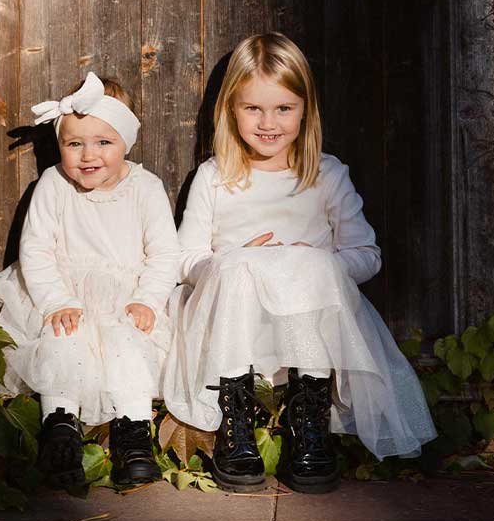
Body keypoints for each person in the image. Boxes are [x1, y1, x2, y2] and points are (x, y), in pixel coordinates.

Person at [163, 33, 436, 494]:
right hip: (235, 332)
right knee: (237, 266)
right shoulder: (215, 177)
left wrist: (318, 262)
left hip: (307, 331)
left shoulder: (326, 175)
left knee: (312, 267)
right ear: (231, 109)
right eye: (253, 109)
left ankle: (308, 421)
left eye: (283, 109)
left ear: (305, 109)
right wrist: (236, 258)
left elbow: (366, 256)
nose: (268, 122)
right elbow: (185, 260)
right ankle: (238, 423)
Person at [0, 73, 179, 488]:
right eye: (74, 143)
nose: (88, 155)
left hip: (128, 299)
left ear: (126, 141)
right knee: (62, 340)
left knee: (129, 344)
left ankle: (133, 434)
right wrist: (55, 301)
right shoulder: (52, 184)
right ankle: (60, 429)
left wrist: (148, 300)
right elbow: (36, 251)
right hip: (63, 294)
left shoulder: (146, 188)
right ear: (60, 144)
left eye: (104, 142)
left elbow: (164, 255)